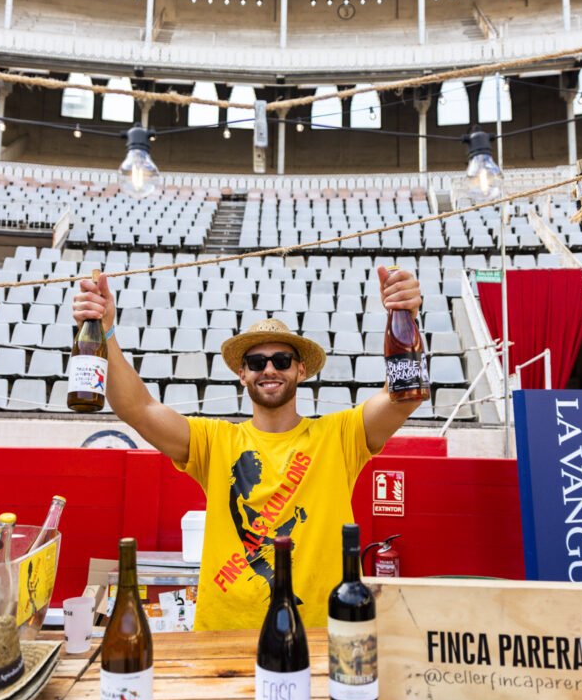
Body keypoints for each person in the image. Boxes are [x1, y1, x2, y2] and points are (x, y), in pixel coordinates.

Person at [74, 265, 423, 630]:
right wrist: (106, 331)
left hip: (321, 632)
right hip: (224, 634)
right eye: (257, 362)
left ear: (301, 371)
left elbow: (404, 397)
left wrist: (406, 319)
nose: (269, 369)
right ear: (242, 374)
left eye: (282, 361)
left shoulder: (340, 436)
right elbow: (138, 409)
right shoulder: (214, 440)